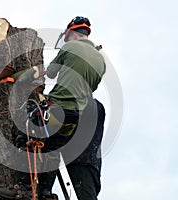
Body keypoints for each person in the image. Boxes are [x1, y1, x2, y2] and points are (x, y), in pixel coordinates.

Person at [38, 16, 106, 199]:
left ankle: (27, 187)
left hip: (62, 109)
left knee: (34, 138)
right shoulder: (101, 61)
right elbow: (90, 87)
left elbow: (50, 72)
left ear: (73, 35)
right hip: (83, 114)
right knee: (64, 150)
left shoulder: (70, 47)